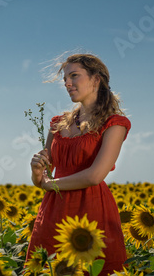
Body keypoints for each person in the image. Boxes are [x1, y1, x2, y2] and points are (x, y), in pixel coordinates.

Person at [26, 53, 130, 275]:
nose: (67, 84)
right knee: (49, 268)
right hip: (53, 209)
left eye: (74, 76)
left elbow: (94, 176)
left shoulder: (114, 124)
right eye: (65, 79)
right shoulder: (57, 123)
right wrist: (37, 172)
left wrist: (49, 185)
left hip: (92, 209)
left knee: (94, 268)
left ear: (95, 80)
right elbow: (44, 177)